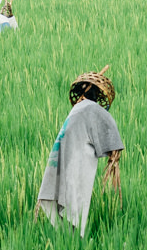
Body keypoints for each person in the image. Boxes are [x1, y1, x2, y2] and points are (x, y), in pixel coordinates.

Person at [35, 67, 124, 234]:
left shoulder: (78, 109)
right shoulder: (90, 108)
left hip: (69, 159)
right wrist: (114, 154)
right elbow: (109, 126)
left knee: (68, 198)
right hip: (77, 160)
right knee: (74, 200)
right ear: (94, 93)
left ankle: (69, 238)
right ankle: (73, 241)